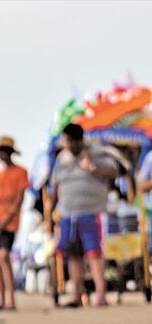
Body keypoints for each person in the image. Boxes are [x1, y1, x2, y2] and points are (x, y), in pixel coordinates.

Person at [50, 123, 118, 307]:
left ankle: (101, 294)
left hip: (92, 212)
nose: (66, 145)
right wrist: (50, 212)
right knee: (73, 255)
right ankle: (75, 295)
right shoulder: (61, 159)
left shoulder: (97, 152)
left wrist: (92, 166)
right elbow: (55, 186)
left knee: (94, 253)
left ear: (79, 140)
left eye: (69, 141)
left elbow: (114, 171)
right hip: (68, 215)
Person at [0, 135, 29, 310]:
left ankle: (11, 299)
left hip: (10, 224)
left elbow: (19, 201)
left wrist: (4, 222)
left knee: (4, 257)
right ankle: (1, 298)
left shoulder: (21, 172)